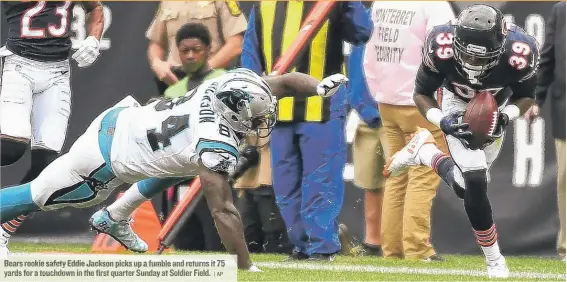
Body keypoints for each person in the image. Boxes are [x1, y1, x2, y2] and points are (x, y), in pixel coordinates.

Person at [0, 68, 348, 270]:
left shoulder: (230, 85)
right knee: (35, 197)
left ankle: (116, 216)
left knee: (184, 164)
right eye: (255, 118)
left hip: (124, 120)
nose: (260, 123)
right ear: (234, 111)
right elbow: (223, 211)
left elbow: (285, 81)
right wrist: (245, 267)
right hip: (103, 160)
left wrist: (316, 88)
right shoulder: (214, 140)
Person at [384, 4, 540, 278]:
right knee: (475, 181)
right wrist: (441, 121)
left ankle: (425, 152)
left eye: (481, 58)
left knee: (462, 186)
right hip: (456, 103)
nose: (472, 65)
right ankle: (494, 260)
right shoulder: (440, 45)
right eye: (466, 54)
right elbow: (422, 92)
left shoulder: (520, 51)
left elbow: (526, 95)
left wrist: (505, 117)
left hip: (494, 107)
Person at [241, 1, 372, 261]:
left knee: (320, 182)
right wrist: (251, 95)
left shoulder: (331, 4)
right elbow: (250, 55)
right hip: (279, 108)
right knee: (285, 186)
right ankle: (301, 246)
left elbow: (362, 32)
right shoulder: (264, 5)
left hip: (322, 106)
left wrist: (349, 4)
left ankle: (322, 248)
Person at [0, 0, 104, 255]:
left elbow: (96, 8)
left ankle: (2, 232)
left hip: (58, 71)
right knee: (11, 148)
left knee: (46, 169)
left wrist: (93, 39)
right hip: (19, 65)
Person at [363, 1, 455, 261]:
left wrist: (378, 91)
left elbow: (370, 54)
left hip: (387, 99)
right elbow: (446, 55)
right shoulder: (433, 6)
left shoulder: (381, 3)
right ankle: (417, 248)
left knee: (397, 173)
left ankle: (393, 248)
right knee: (424, 173)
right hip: (421, 102)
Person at [160, 22, 227, 252]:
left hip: (215, 177)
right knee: (187, 246)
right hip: (182, 178)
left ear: (209, 49)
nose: (190, 56)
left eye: (196, 49)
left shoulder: (224, 81)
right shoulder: (172, 93)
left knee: (217, 246)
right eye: (184, 50)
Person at [524, 1, 566, 262]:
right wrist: (535, 99)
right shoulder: (562, 11)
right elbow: (548, 57)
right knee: (566, 179)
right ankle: (566, 247)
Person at [146, 1, 247, 94]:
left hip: (211, 82)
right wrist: (157, 63)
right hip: (175, 82)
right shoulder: (168, 2)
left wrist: (204, 72)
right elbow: (156, 43)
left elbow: (236, 43)